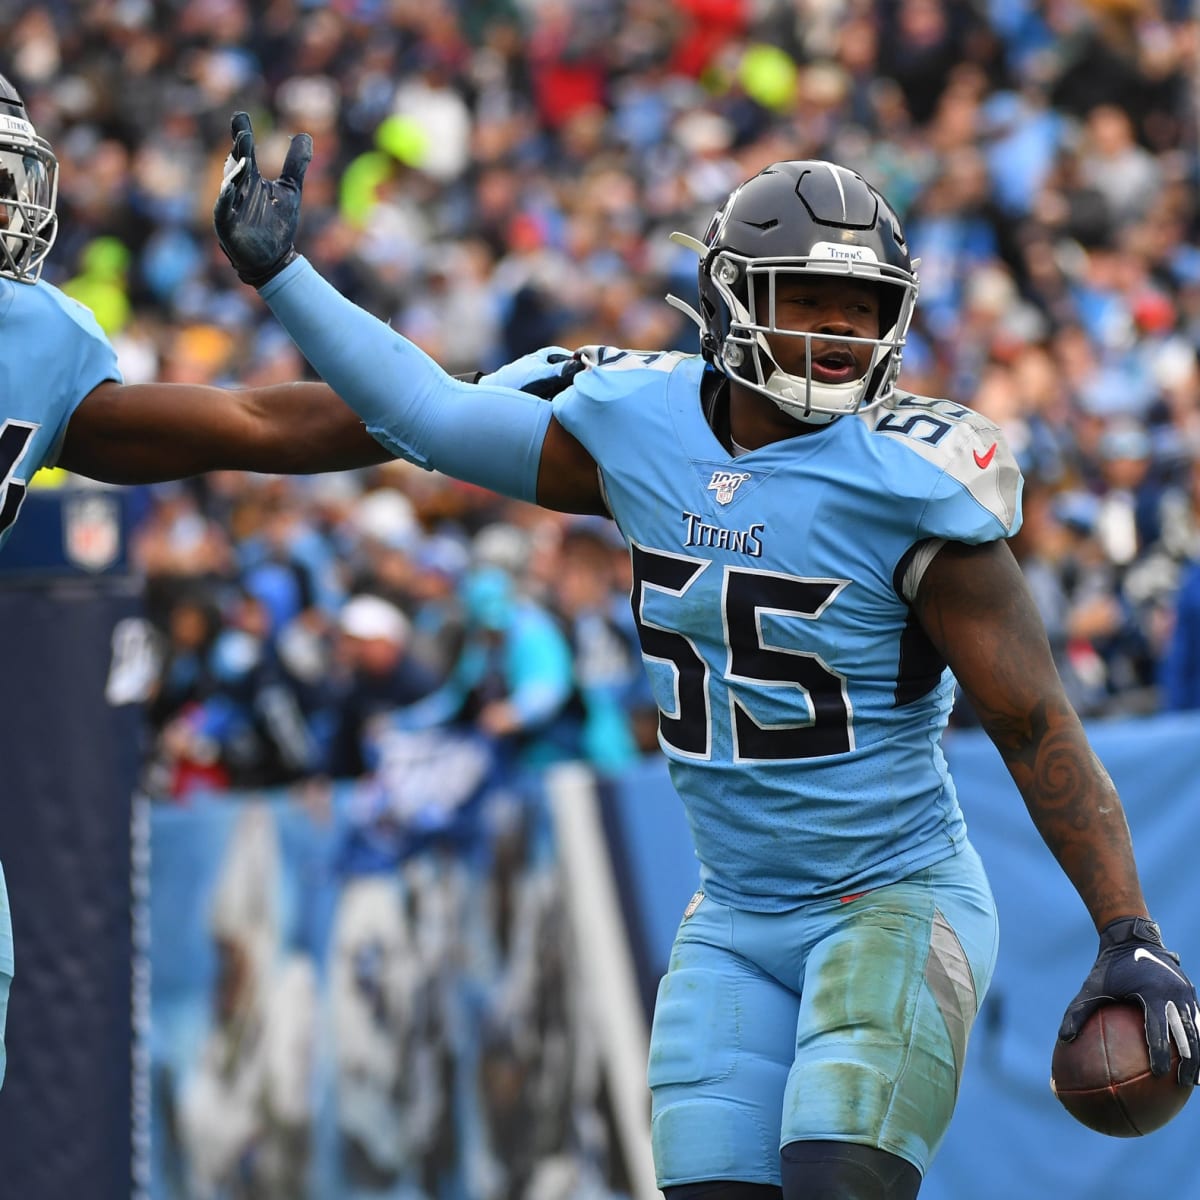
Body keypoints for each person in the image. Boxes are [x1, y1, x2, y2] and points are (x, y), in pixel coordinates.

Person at [214, 113, 1200, 1200]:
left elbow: (1035, 723)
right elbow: (428, 418)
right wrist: (286, 278)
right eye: (806, 301)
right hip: (732, 915)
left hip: (893, 895)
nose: (834, 334)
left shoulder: (913, 482)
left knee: (837, 1184)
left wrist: (1127, 927)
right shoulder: (642, 424)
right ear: (730, 302)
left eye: (858, 309)